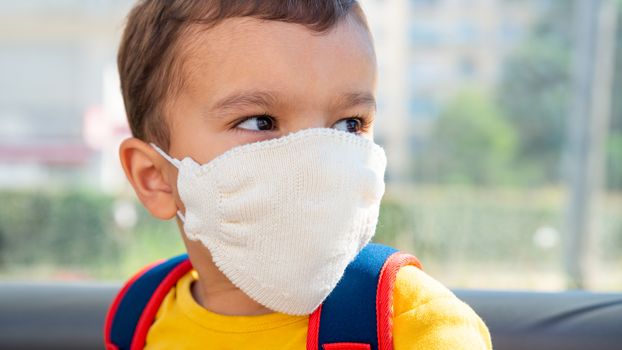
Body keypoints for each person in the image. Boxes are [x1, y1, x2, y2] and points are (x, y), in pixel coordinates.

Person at [109, 0, 493, 349]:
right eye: (261, 122)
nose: (319, 161)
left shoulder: (416, 325)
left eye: (348, 125)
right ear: (154, 177)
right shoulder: (140, 322)